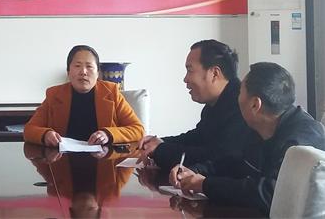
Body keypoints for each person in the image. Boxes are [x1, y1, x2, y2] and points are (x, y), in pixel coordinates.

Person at [169, 62, 325, 215]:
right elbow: (235, 162)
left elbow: (270, 193)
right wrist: (195, 171)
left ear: (255, 105)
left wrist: (205, 185)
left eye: (240, 92)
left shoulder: (302, 140)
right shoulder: (263, 128)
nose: (237, 98)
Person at [139, 39, 252, 168]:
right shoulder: (217, 102)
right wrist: (160, 142)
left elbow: (217, 157)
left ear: (214, 73)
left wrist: (161, 149)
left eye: (190, 70)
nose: (185, 79)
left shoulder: (242, 105)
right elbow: (198, 138)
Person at [24, 45, 144, 147]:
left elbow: (138, 129)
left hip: (105, 161)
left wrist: (108, 134)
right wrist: (45, 135)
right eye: (77, 66)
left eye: (89, 66)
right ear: (68, 72)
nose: (83, 72)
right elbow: (29, 129)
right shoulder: (54, 95)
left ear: (98, 73)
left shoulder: (111, 92)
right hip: (62, 161)